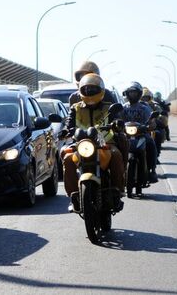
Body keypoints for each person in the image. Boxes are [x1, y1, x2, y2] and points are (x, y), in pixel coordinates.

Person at [61, 74, 125, 211]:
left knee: (116, 155)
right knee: (66, 157)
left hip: (105, 143)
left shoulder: (109, 107)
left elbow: (117, 119)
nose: (89, 93)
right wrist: (65, 131)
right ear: (81, 91)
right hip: (81, 144)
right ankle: (73, 196)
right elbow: (69, 123)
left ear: (101, 90)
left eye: (93, 90)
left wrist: (117, 123)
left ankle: (117, 192)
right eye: (86, 90)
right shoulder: (75, 108)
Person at [69, 61, 128, 169]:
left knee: (120, 143)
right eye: (80, 75)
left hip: (104, 138)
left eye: (87, 75)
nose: (84, 78)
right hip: (81, 139)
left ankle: (123, 171)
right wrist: (67, 130)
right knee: (67, 155)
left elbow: (115, 114)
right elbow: (71, 119)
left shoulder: (107, 94)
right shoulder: (74, 98)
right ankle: (71, 185)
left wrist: (116, 123)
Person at [122, 82, 158, 194]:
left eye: (135, 93)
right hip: (126, 135)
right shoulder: (123, 107)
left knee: (151, 143)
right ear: (127, 94)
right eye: (130, 93)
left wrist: (150, 126)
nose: (132, 95)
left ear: (139, 94)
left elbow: (152, 121)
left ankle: (152, 170)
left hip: (142, 134)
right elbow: (117, 120)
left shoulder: (144, 107)